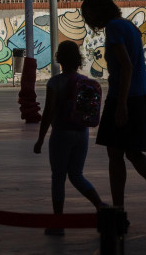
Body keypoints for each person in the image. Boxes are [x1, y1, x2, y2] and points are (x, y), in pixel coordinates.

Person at [80, 0, 146, 227]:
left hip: (124, 97)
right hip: (141, 96)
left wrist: (121, 104)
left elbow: (126, 66)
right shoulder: (129, 27)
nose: (87, 18)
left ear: (96, 11)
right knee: (133, 153)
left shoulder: (114, 28)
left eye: (88, 13)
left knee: (115, 155)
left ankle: (118, 210)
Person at [34, 41, 110, 236]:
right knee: (76, 175)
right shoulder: (85, 81)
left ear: (59, 58)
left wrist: (41, 139)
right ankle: (100, 205)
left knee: (58, 177)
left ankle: (58, 222)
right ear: (78, 60)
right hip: (81, 133)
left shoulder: (55, 82)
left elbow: (49, 112)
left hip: (61, 134)